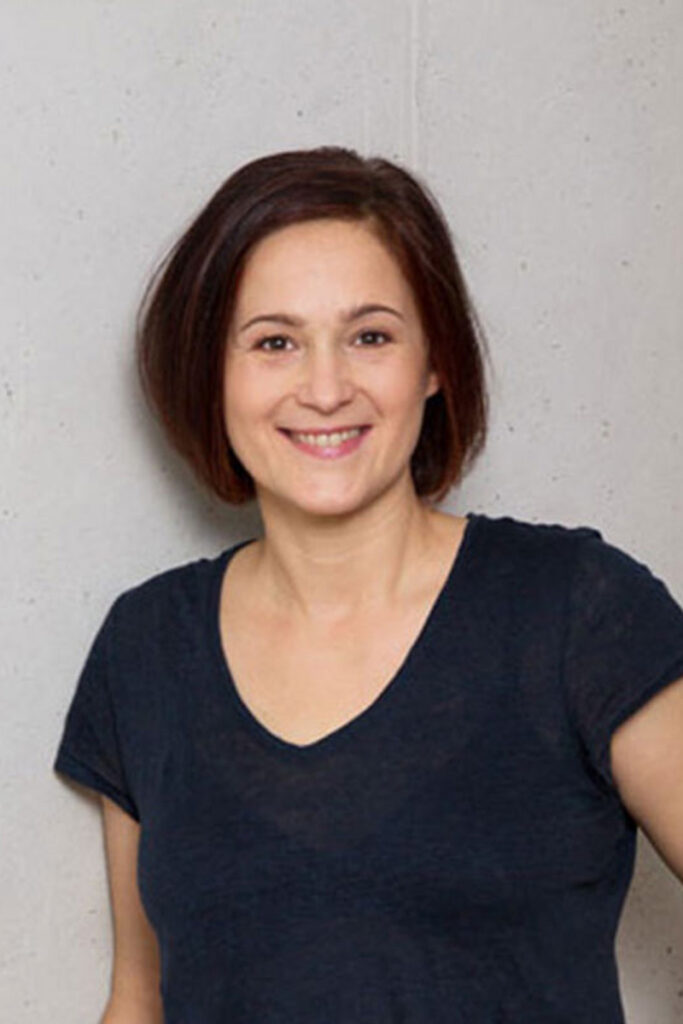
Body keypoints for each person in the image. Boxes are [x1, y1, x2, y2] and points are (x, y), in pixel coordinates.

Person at [53, 146, 683, 1024]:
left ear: (434, 362)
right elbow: (139, 1000)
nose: (324, 389)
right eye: (274, 342)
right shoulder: (145, 647)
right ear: (211, 373)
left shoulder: (577, 610)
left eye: (370, 337)